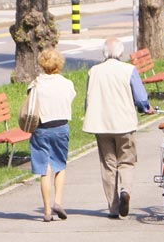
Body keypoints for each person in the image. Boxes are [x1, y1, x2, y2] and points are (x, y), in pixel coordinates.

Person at [82, 38, 154, 219]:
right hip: (124, 124)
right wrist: (146, 108)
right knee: (127, 161)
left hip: (101, 125)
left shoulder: (94, 71)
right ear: (121, 53)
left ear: (103, 54)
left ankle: (113, 208)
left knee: (108, 165)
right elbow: (140, 97)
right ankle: (125, 191)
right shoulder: (128, 70)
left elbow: (89, 98)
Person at [29, 48, 77, 222]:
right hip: (61, 126)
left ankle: (47, 210)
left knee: (44, 169)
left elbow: (30, 104)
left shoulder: (36, 84)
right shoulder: (67, 83)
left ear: (42, 64)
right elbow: (70, 98)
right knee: (60, 165)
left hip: (41, 128)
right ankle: (58, 201)